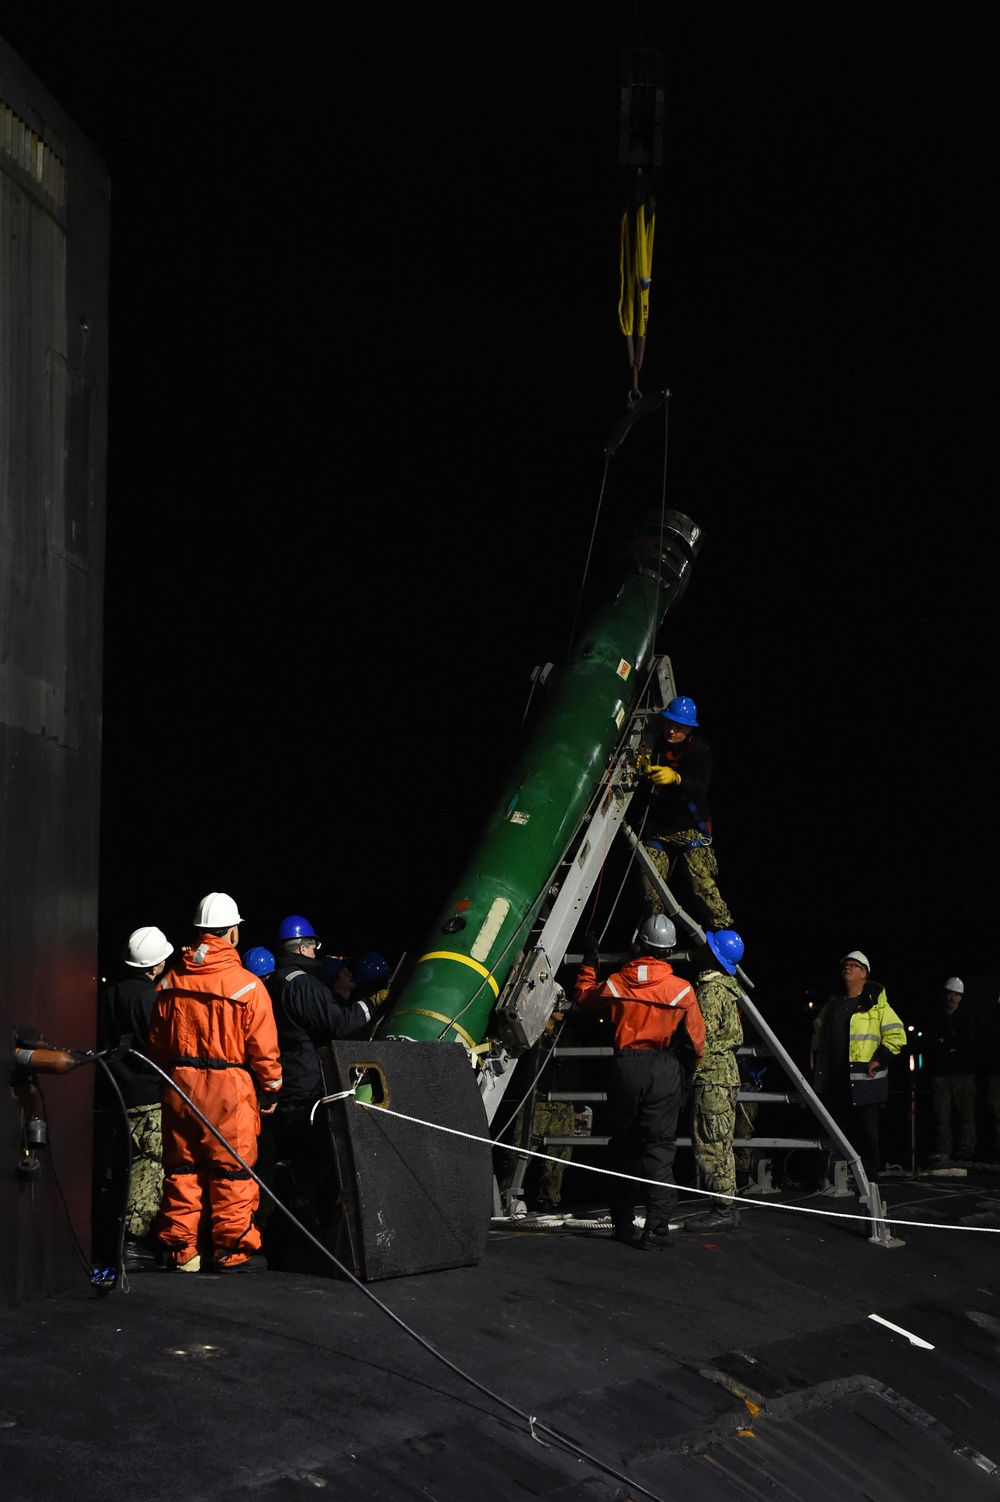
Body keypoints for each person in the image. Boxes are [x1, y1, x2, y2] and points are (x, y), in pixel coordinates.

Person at [150, 892, 282, 1272]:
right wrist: (270, 1089)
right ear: (233, 933)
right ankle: (231, 1252)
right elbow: (265, 1049)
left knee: (181, 1170)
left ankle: (182, 1252)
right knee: (233, 1171)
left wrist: (171, 1078)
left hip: (178, 1086)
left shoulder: (170, 981)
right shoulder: (247, 986)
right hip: (229, 1090)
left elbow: (157, 1043)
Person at [574, 914, 705, 1249]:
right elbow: (695, 1043)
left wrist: (590, 959)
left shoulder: (618, 982)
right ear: (670, 950)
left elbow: (584, 997)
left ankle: (623, 1224)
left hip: (624, 1068)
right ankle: (657, 1228)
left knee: (623, 1147)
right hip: (663, 1068)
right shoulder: (681, 990)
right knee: (658, 1149)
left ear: (639, 944)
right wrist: (684, 1078)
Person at [264, 915, 373, 1267]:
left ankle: (283, 1236)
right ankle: (295, 1240)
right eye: (313, 944)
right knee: (317, 1165)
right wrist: (370, 1005)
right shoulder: (303, 985)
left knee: (289, 1165)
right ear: (303, 946)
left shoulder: (275, 981)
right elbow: (338, 1023)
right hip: (305, 1086)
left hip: (284, 1083)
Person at [96, 925, 174, 1271]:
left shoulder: (108, 993)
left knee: (117, 1168)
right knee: (148, 1167)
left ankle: (110, 1239)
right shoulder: (151, 999)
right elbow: (162, 1046)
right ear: (155, 964)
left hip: (114, 1093)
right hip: (147, 1095)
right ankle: (132, 1243)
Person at [811, 949, 906, 1183]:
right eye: (846, 965)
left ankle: (869, 1180)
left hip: (865, 1082)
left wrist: (879, 1059)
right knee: (832, 1130)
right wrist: (816, 1059)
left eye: (854, 965)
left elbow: (897, 1035)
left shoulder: (876, 1005)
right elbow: (818, 1031)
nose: (847, 968)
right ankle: (827, 1177)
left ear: (864, 974)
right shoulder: (833, 1002)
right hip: (836, 1080)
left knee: (867, 1133)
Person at [640, 695, 734, 933]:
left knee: (703, 888)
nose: (671, 731)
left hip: (690, 829)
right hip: (660, 828)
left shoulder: (698, 749)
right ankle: (653, 935)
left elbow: (700, 785)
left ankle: (724, 933)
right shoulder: (655, 744)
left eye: (678, 727)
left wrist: (677, 778)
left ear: (689, 728)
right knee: (650, 891)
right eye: (669, 725)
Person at [684, 929, 745, 1232]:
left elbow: (700, 1037)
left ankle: (723, 1208)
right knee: (721, 1141)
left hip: (711, 1078)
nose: (701, 948)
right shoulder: (729, 991)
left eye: (708, 946)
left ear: (716, 956)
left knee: (710, 1143)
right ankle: (723, 1205)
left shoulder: (710, 992)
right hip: (725, 1075)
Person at [926, 976, 977, 1165]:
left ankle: (966, 1153)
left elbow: (967, 1043)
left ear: (961, 997)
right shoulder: (935, 1018)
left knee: (966, 1115)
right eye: (951, 993)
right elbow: (932, 1044)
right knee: (941, 1116)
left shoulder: (966, 1018)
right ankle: (944, 1152)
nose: (952, 998)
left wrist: (946, 1045)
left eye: (956, 994)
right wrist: (949, 1046)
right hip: (941, 1074)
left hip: (963, 1074)